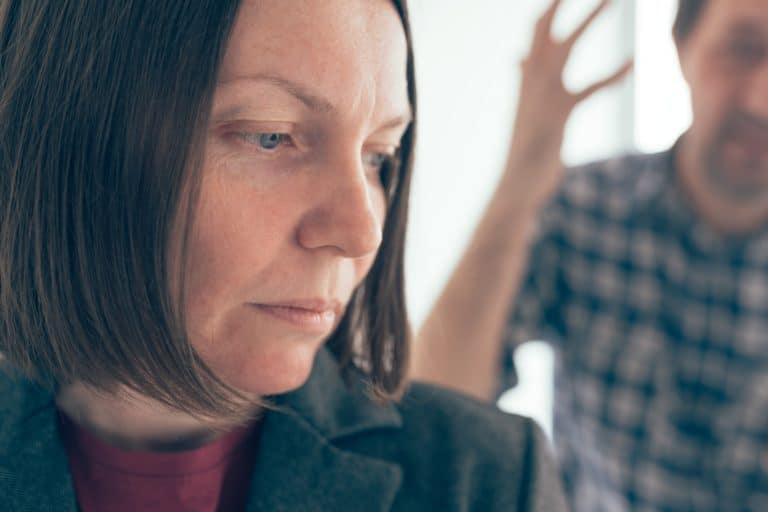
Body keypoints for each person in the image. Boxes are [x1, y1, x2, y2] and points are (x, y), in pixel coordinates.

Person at [0, 1, 569, 511]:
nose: (361, 232)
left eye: (379, 156)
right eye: (270, 136)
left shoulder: (484, 480)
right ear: (73, 143)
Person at [414, 0, 768, 510]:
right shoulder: (583, 209)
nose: (760, 98)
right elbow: (435, 406)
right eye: (742, 49)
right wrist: (520, 181)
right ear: (681, 46)